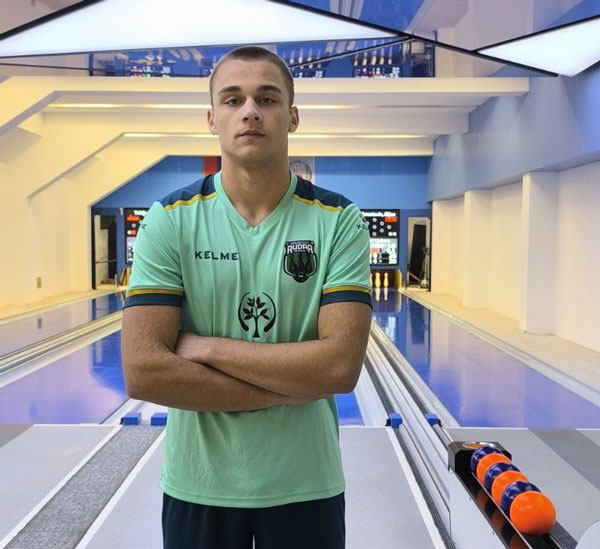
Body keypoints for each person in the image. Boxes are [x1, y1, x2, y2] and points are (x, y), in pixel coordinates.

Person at [121, 45, 372, 549]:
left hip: (306, 483)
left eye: (267, 98)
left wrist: (206, 348)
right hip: (199, 486)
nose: (250, 111)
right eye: (233, 99)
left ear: (292, 117)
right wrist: (291, 388)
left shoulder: (339, 220)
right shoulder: (169, 219)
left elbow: (339, 369)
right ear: (212, 118)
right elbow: (143, 371)